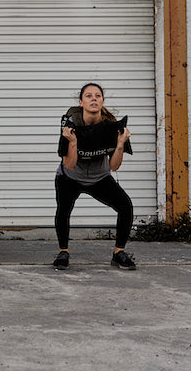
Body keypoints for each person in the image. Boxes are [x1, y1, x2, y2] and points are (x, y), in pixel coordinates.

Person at [53, 82, 136, 271]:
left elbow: (114, 166)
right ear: (81, 102)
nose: (94, 99)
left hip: (99, 177)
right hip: (70, 176)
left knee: (125, 206)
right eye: (89, 96)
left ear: (102, 101)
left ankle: (118, 253)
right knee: (63, 210)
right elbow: (69, 164)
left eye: (97, 96)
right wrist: (73, 142)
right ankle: (63, 252)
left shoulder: (111, 126)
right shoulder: (70, 123)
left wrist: (121, 144)